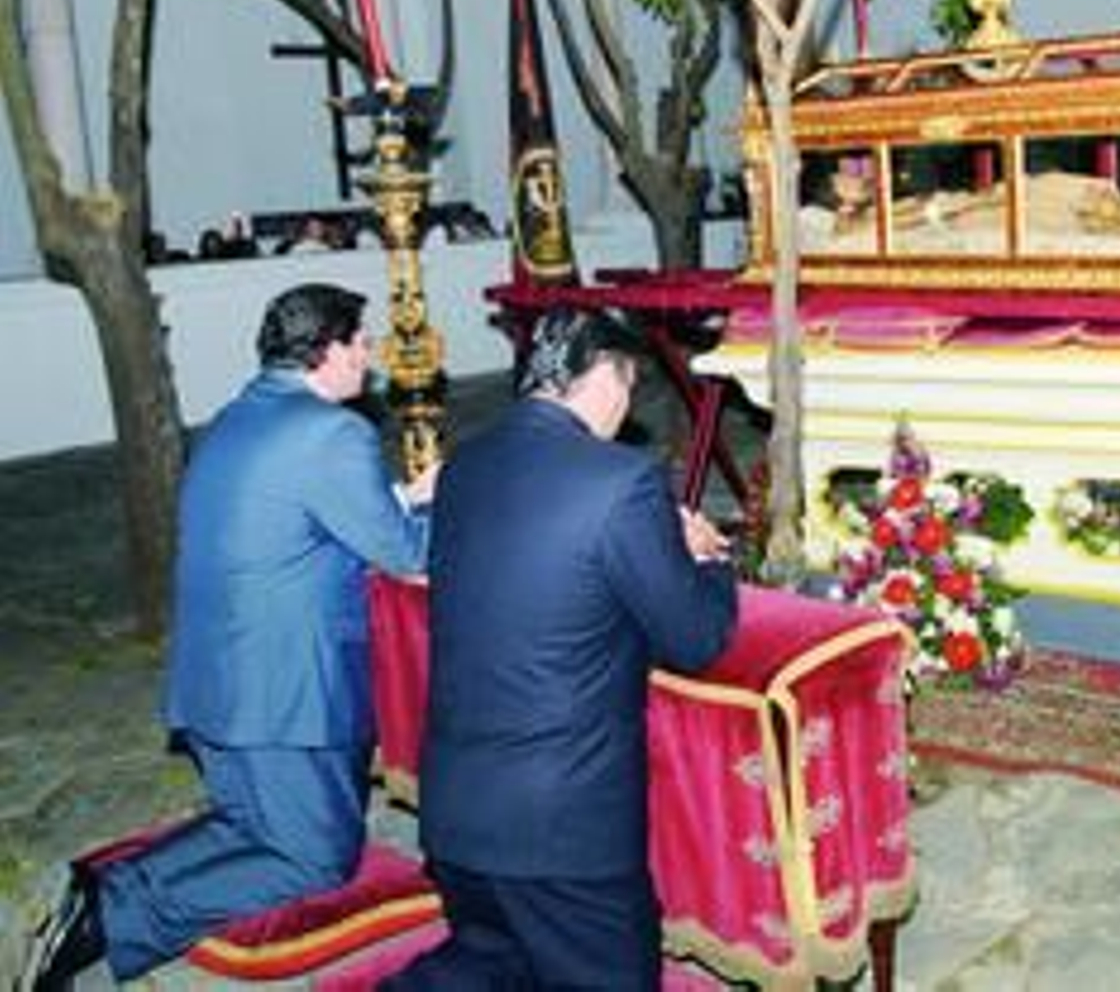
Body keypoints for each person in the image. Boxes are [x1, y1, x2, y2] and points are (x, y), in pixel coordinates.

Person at [26, 283, 438, 990]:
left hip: (215, 681)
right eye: (361, 342)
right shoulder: (334, 433)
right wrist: (446, 504)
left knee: (253, 824)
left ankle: (97, 890)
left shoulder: (240, 415)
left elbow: (296, 519)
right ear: (328, 349)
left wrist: (402, 497)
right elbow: (406, 554)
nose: (369, 357)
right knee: (317, 856)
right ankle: (109, 913)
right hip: (280, 696)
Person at [387, 307, 738, 990]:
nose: (626, 406)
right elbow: (694, 638)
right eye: (630, 386)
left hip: (459, 810)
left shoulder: (465, 466)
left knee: (488, 966)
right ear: (605, 374)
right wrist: (705, 559)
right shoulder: (622, 482)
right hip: (561, 828)